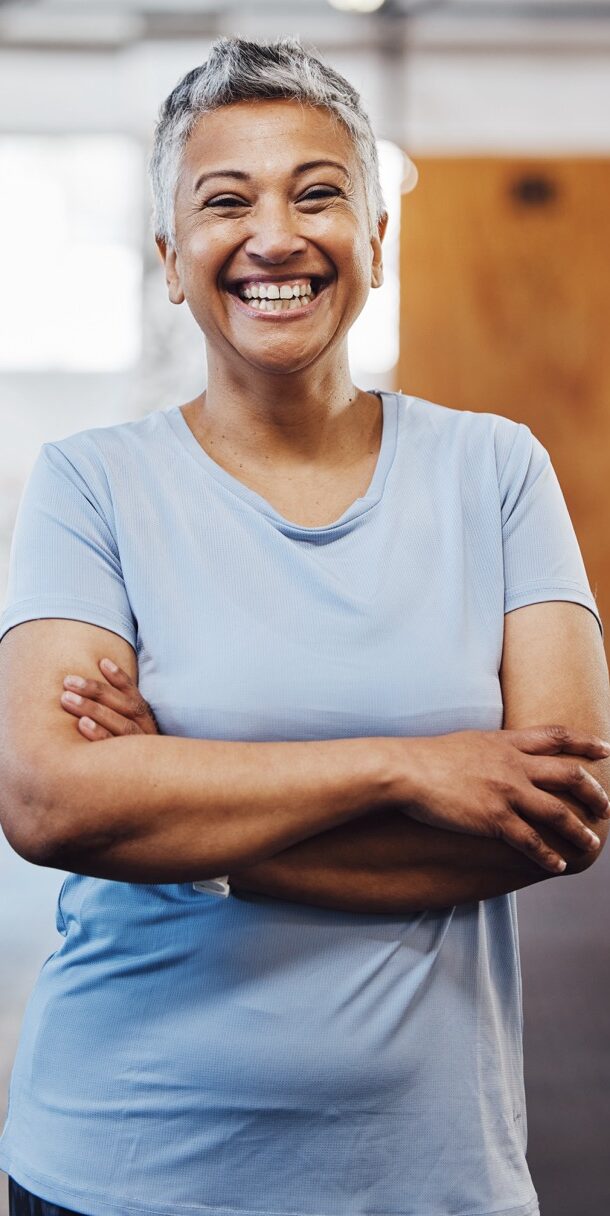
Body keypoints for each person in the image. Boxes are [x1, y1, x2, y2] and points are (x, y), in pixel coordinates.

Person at [0, 34, 609, 1216]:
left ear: (377, 242)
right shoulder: (88, 483)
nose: (274, 236)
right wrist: (411, 767)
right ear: (171, 259)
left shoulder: (495, 469)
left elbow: (559, 811)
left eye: (318, 193)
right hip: (119, 1169)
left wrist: (183, 818)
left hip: (429, 1179)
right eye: (225, 201)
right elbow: (47, 800)